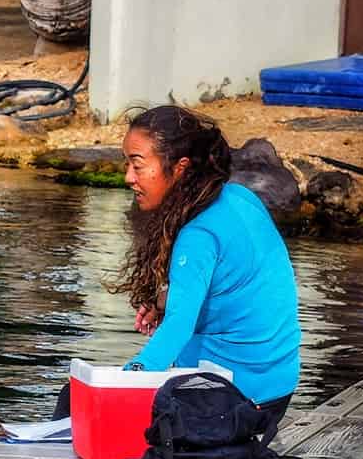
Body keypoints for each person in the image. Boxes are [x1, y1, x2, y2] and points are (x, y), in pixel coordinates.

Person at [112, 105, 301, 436]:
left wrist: (121, 382)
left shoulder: (197, 235)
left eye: (138, 165)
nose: (129, 176)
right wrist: (167, 301)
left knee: (76, 400)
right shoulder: (240, 197)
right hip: (276, 390)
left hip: (234, 402)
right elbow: (241, 288)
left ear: (180, 167)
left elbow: (177, 329)